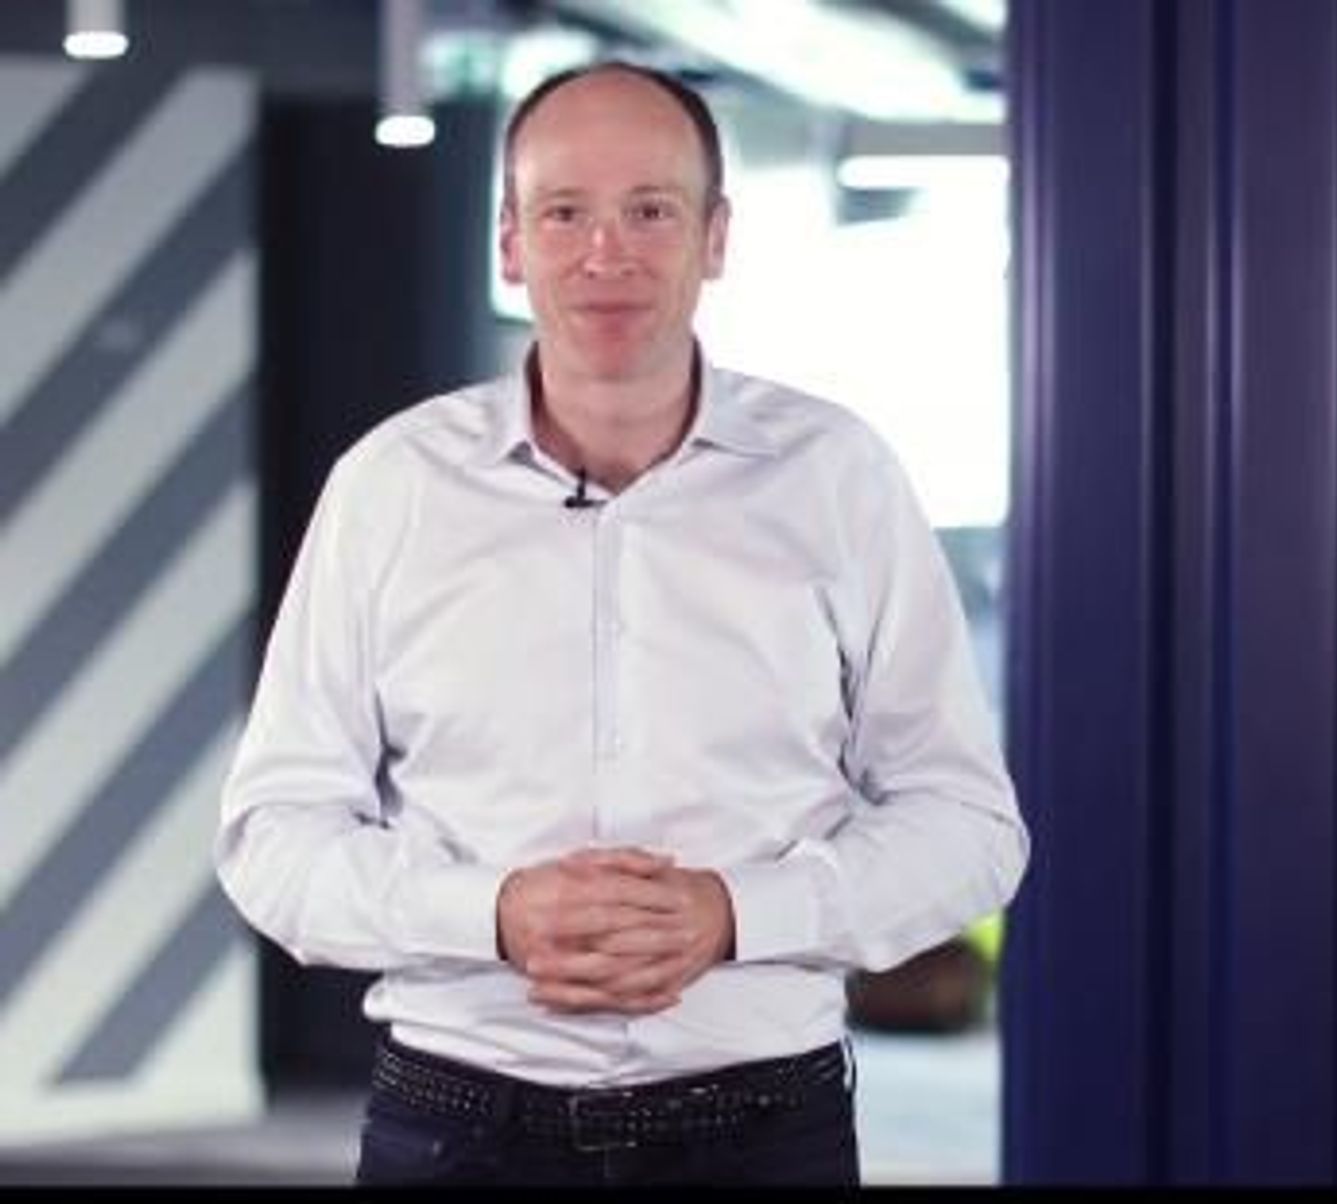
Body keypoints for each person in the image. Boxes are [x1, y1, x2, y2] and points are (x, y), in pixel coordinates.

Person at [215, 60, 1029, 1188]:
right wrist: (492, 913)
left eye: (650, 210)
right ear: (511, 242)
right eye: (564, 213)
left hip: (763, 1133)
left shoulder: (839, 479)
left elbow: (968, 827)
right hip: (458, 1131)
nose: (608, 253)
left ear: (715, 237)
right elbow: (273, 838)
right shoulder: (390, 488)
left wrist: (735, 914)